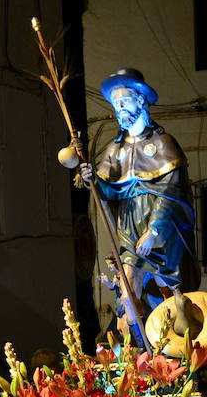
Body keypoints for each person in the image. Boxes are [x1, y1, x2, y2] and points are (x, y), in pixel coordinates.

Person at [79, 68, 198, 319]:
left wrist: (153, 232)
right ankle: (135, 339)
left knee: (171, 301)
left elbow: (169, 193)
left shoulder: (164, 143)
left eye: (125, 100)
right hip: (129, 229)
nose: (120, 107)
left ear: (141, 101)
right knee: (127, 296)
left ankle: (173, 339)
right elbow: (109, 192)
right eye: (116, 103)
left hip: (162, 233)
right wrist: (93, 181)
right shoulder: (115, 150)